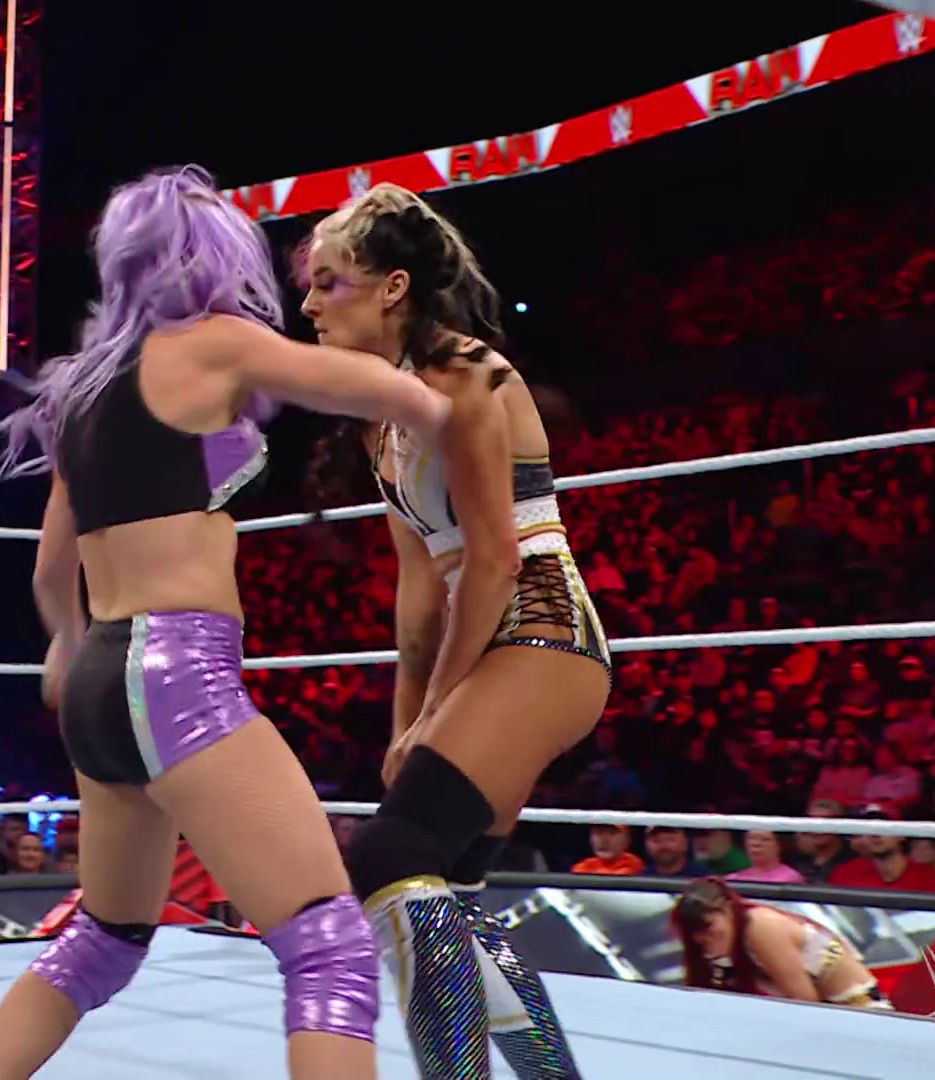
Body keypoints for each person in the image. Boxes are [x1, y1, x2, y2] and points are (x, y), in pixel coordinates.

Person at [0, 165, 453, 1080]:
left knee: (103, 939)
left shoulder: (81, 392)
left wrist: (66, 644)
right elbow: (375, 390)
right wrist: (457, 405)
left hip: (99, 679)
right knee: (330, 947)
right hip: (175, 671)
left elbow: (48, 570)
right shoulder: (213, 344)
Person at [300, 182, 607, 1079]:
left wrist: (436, 711)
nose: (309, 304)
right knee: (455, 894)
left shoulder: (470, 376)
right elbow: (421, 590)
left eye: (329, 282)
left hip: (545, 635)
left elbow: (495, 562)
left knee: (391, 855)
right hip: (490, 645)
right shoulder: (382, 414)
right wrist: (405, 725)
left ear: (393, 287)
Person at [671, 877, 891, 1009]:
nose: (702, 938)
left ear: (727, 910)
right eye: (694, 933)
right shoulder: (725, 945)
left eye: (707, 926)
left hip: (860, 1011)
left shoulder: (761, 927)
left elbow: (805, 1003)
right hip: (831, 1013)